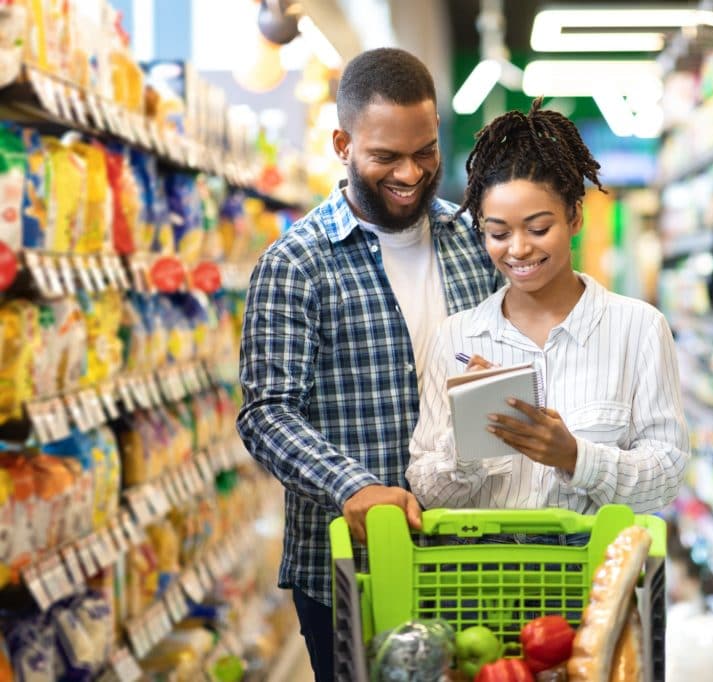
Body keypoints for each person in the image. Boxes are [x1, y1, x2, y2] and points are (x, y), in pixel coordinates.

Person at [236, 48, 496, 682]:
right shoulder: (295, 263)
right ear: (342, 144)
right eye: (386, 156)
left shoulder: (474, 240)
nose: (411, 172)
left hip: (473, 551)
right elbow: (267, 414)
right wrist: (351, 485)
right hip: (351, 566)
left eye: (426, 151)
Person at [406, 99, 688, 515]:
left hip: (590, 574)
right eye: (498, 233)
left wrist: (574, 457)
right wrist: (469, 437)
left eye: (539, 228)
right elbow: (429, 493)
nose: (518, 249)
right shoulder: (458, 337)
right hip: (484, 577)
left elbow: (664, 478)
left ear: (575, 217)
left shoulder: (639, 328)